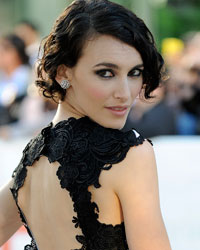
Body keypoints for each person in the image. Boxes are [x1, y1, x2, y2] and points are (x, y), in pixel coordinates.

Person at [0, 0, 172, 249]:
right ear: (62, 73)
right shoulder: (128, 156)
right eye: (106, 73)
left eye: (135, 72)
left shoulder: (31, 161)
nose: (126, 93)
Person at [0, 34, 31, 125]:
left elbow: (7, 100)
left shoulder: (23, 74)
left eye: (2, 53)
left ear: (14, 53)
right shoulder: (3, 75)